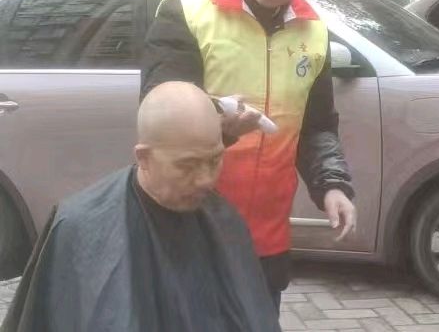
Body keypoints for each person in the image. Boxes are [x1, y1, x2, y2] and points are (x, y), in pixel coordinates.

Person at [141, 0, 356, 308]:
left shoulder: (313, 33)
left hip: (266, 236)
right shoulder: (186, 13)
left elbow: (316, 127)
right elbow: (160, 117)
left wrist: (332, 185)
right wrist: (221, 128)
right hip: (191, 221)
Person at [1, 82, 281, 332]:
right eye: (188, 165)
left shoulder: (224, 220)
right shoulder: (79, 228)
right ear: (143, 157)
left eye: (215, 160)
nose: (206, 180)